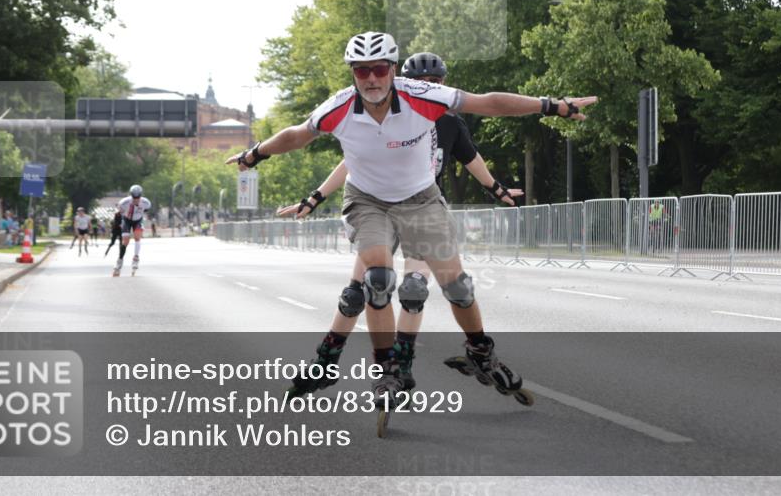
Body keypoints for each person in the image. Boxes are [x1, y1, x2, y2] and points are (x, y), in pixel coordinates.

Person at [228, 31, 596, 404]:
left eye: (379, 69)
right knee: (377, 279)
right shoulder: (338, 108)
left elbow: (488, 104)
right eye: (361, 71)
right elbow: (297, 135)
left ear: (391, 69)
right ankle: (387, 370)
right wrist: (256, 154)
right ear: (353, 73)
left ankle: (480, 349)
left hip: (421, 200)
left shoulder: (422, 97)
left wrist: (551, 106)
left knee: (458, 288)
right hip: (368, 201)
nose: (371, 78)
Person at [277, 51, 523, 395]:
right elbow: (351, 162)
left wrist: (495, 188)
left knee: (413, 289)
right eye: (421, 83)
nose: (427, 89)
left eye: (435, 84)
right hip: (375, 206)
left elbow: (471, 158)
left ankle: (404, 365)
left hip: (420, 208)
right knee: (357, 292)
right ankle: (325, 363)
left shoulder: (450, 122)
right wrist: (315, 197)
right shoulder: (391, 115)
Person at [113, 185, 152, 276]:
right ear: (131, 196)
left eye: (138, 198)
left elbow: (146, 211)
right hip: (126, 220)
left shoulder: (146, 202)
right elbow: (119, 213)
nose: (136, 200)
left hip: (138, 220)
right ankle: (120, 260)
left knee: (137, 237)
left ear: (141, 196)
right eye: (134, 198)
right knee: (125, 241)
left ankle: (136, 258)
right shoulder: (124, 202)